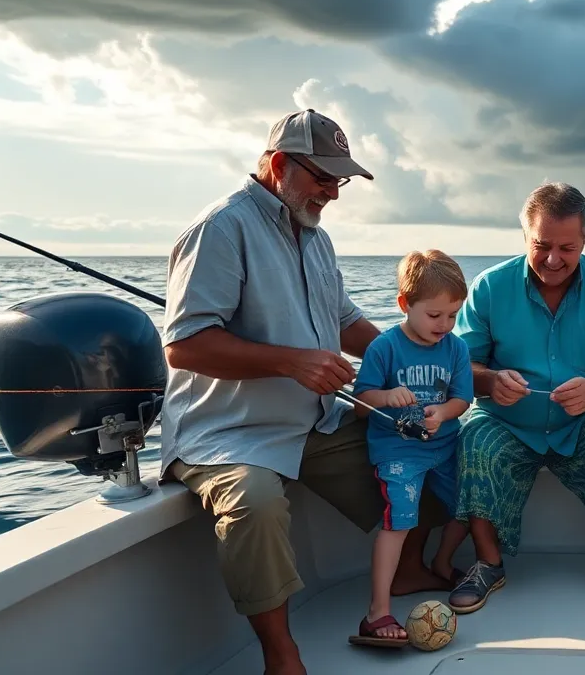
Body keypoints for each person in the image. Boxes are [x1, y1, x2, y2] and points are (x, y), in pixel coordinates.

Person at [158, 109, 454, 675]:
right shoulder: (220, 229)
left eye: (339, 181)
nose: (332, 194)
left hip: (312, 421)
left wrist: (423, 361)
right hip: (228, 434)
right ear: (277, 165)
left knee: (419, 444)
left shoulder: (314, 236)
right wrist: (292, 363)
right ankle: (282, 656)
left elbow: (345, 322)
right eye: (323, 178)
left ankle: (411, 566)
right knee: (256, 507)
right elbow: (185, 346)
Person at [447, 182, 585, 613]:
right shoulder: (488, 287)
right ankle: (488, 565)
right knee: (474, 439)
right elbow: (461, 365)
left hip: (582, 424)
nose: (554, 259)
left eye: (568, 248)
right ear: (524, 236)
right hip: (507, 423)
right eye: (541, 245)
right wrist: (489, 381)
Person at [347, 250, 474, 647]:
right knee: (398, 523)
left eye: (453, 315)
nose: (444, 325)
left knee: (471, 505)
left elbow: (462, 399)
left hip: (445, 445)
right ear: (405, 304)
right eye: (434, 315)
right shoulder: (384, 348)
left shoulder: (455, 348)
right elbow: (359, 403)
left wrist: (443, 413)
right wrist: (386, 397)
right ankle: (377, 611)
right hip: (399, 453)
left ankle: (441, 561)